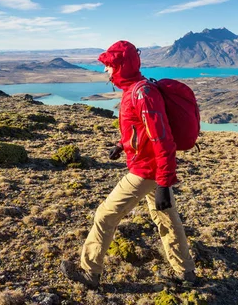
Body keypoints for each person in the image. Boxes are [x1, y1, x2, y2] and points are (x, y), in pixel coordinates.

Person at [60, 40, 196, 289]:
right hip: (152, 169)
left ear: (122, 65)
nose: (105, 71)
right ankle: (185, 272)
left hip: (147, 170)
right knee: (166, 219)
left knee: (105, 215)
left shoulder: (143, 93)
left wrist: (165, 182)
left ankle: (89, 273)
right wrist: (122, 145)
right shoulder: (134, 90)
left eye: (109, 65)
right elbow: (140, 131)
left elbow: (162, 139)